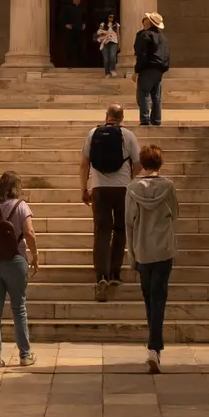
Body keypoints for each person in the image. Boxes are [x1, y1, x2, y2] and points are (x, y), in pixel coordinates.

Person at [0, 170, 39, 368]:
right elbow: (29, 232)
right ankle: (25, 355)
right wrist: (35, 255)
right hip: (16, 261)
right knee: (18, 308)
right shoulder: (22, 206)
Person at [126, 143, 178, 374]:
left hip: (143, 250)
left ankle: (154, 347)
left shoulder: (132, 189)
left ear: (142, 164)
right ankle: (154, 347)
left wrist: (131, 254)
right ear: (160, 163)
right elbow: (175, 214)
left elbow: (129, 223)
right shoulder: (169, 187)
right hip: (164, 250)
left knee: (149, 299)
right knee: (160, 299)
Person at [79, 104, 140, 301]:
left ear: (106, 116)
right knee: (121, 229)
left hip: (99, 189)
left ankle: (101, 276)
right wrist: (129, 176)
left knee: (101, 231)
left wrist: (84, 188)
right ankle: (115, 273)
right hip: (122, 188)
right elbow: (138, 163)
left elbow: (84, 164)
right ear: (122, 118)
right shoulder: (128, 135)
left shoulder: (92, 133)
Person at [133, 12, 170, 127]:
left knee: (143, 94)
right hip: (159, 69)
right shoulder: (162, 37)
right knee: (156, 96)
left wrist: (137, 70)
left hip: (148, 68)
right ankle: (156, 120)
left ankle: (145, 120)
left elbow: (142, 54)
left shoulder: (144, 35)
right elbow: (167, 54)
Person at [62, 0, 89, 67]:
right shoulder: (67, 8)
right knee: (70, 47)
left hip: (79, 30)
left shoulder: (82, 8)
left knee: (80, 47)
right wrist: (66, 25)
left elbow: (85, 18)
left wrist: (84, 24)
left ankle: (80, 64)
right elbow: (61, 18)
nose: (78, 0)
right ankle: (70, 64)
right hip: (71, 30)